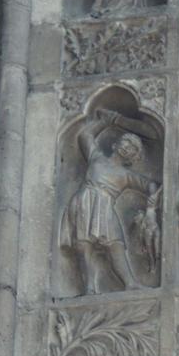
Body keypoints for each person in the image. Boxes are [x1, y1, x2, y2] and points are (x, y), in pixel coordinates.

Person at [60, 109, 160, 294]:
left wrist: (152, 204)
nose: (127, 147)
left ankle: (130, 282)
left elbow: (150, 185)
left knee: (116, 242)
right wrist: (107, 122)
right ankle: (89, 287)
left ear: (133, 157)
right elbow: (85, 135)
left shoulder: (126, 176)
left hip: (106, 204)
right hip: (86, 199)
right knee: (84, 243)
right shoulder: (96, 157)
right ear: (115, 144)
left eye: (132, 148)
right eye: (125, 142)